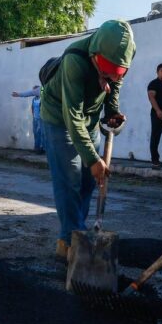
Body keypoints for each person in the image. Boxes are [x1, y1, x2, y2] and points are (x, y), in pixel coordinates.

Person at [39, 19, 136, 261]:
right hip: (59, 117)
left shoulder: (125, 55)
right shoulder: (74, 60)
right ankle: (70, 242)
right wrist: (93, 158)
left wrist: (112, 111)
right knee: (69, 179)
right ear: (95, 53)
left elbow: (115, 85)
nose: (109, 76)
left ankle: (76, 234)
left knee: (87, 181)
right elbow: (72, 116)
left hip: (90, 119)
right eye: (104, 71)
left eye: (114, 72)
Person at [12, 85, 45, 153]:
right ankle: (36, 147)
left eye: (34, 91)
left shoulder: (42, 96)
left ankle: (41, 148)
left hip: (41, 118)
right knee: (36, 133)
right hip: (35, 118)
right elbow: (32, 107)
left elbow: (27, 93)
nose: (33, 92)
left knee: (41, 133)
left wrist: (19, 94)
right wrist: (33, 115)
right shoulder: (34, 99)